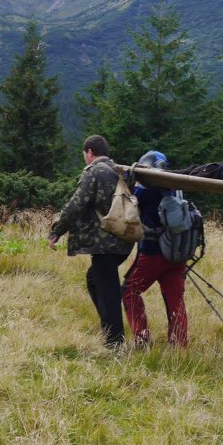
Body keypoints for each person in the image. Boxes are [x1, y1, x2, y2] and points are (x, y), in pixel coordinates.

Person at [49, 135, 133, 348]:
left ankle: (114, 340)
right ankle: (109, 329)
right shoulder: (119, 170)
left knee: (108, 288)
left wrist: (57, 231)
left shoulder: (94, 172)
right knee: (95, 279)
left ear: (89, 152)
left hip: (104, 242)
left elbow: (76, 204)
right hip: (125, 238)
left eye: (84, 154)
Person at [121, 150, 189, 348]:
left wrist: (128, 183)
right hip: (177, 252)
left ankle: (141, 339)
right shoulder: (175, 187)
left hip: (153, 252)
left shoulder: (149, 188)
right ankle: (178, 343)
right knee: (174, 298)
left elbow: (131, 201)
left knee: (129, 290)